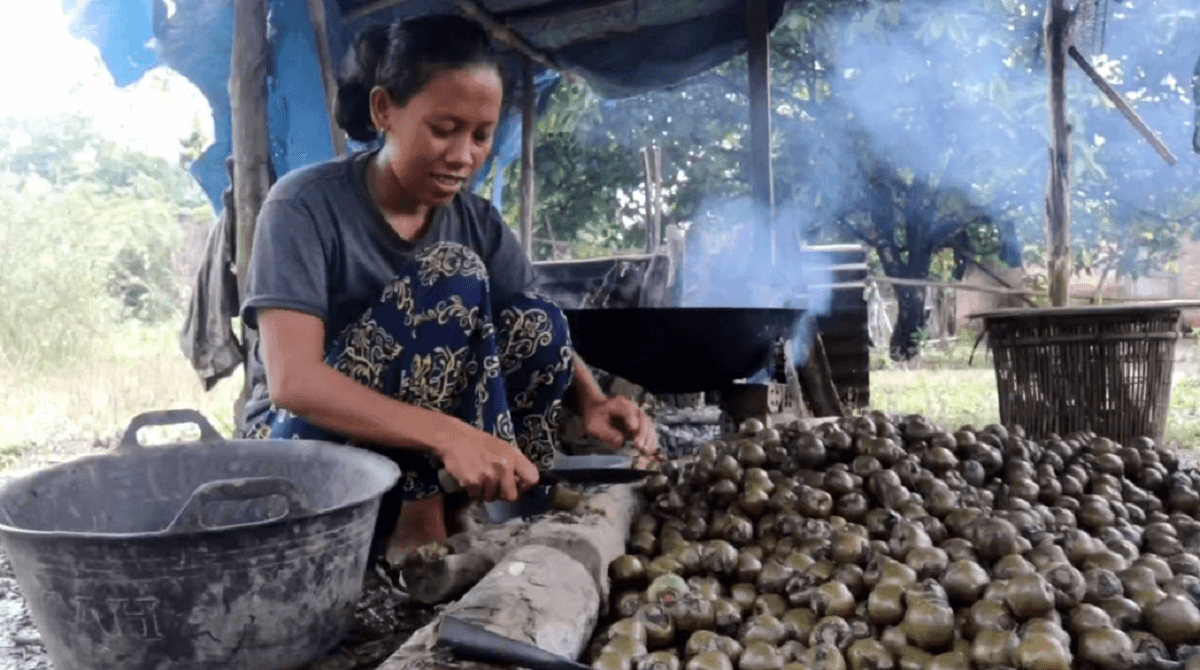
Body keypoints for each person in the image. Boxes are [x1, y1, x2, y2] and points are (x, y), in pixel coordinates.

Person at [238, 14, 659, 563]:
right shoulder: (303, 206)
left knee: (539, 321)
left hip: (410, 445)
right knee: (453, 277)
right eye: (443, 129)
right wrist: (446, 436)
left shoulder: (477, 220)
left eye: (482, 136)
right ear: (383, 109)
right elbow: (293, 383)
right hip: (300, 447)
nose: (464, 156)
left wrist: (595, 400)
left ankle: (484, 499)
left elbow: (538, 331)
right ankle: (417, 522)